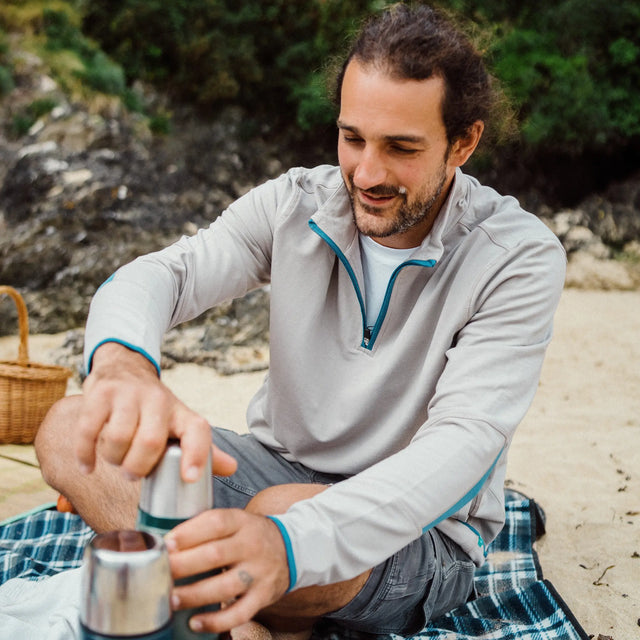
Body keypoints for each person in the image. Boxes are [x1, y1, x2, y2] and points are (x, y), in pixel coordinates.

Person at [35, 3, 566, 639]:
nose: (367, 173)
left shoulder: (518, 256)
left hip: (418, 534)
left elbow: (465, 442)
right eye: (352, 138)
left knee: (283, 514)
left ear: (464, 142)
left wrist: (289, 545)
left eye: (401, 148)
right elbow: (164, 276)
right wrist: (124, 368)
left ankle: (210, 600)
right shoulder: (294, 203)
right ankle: (240, 613)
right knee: (72, 428)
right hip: (271, 467)